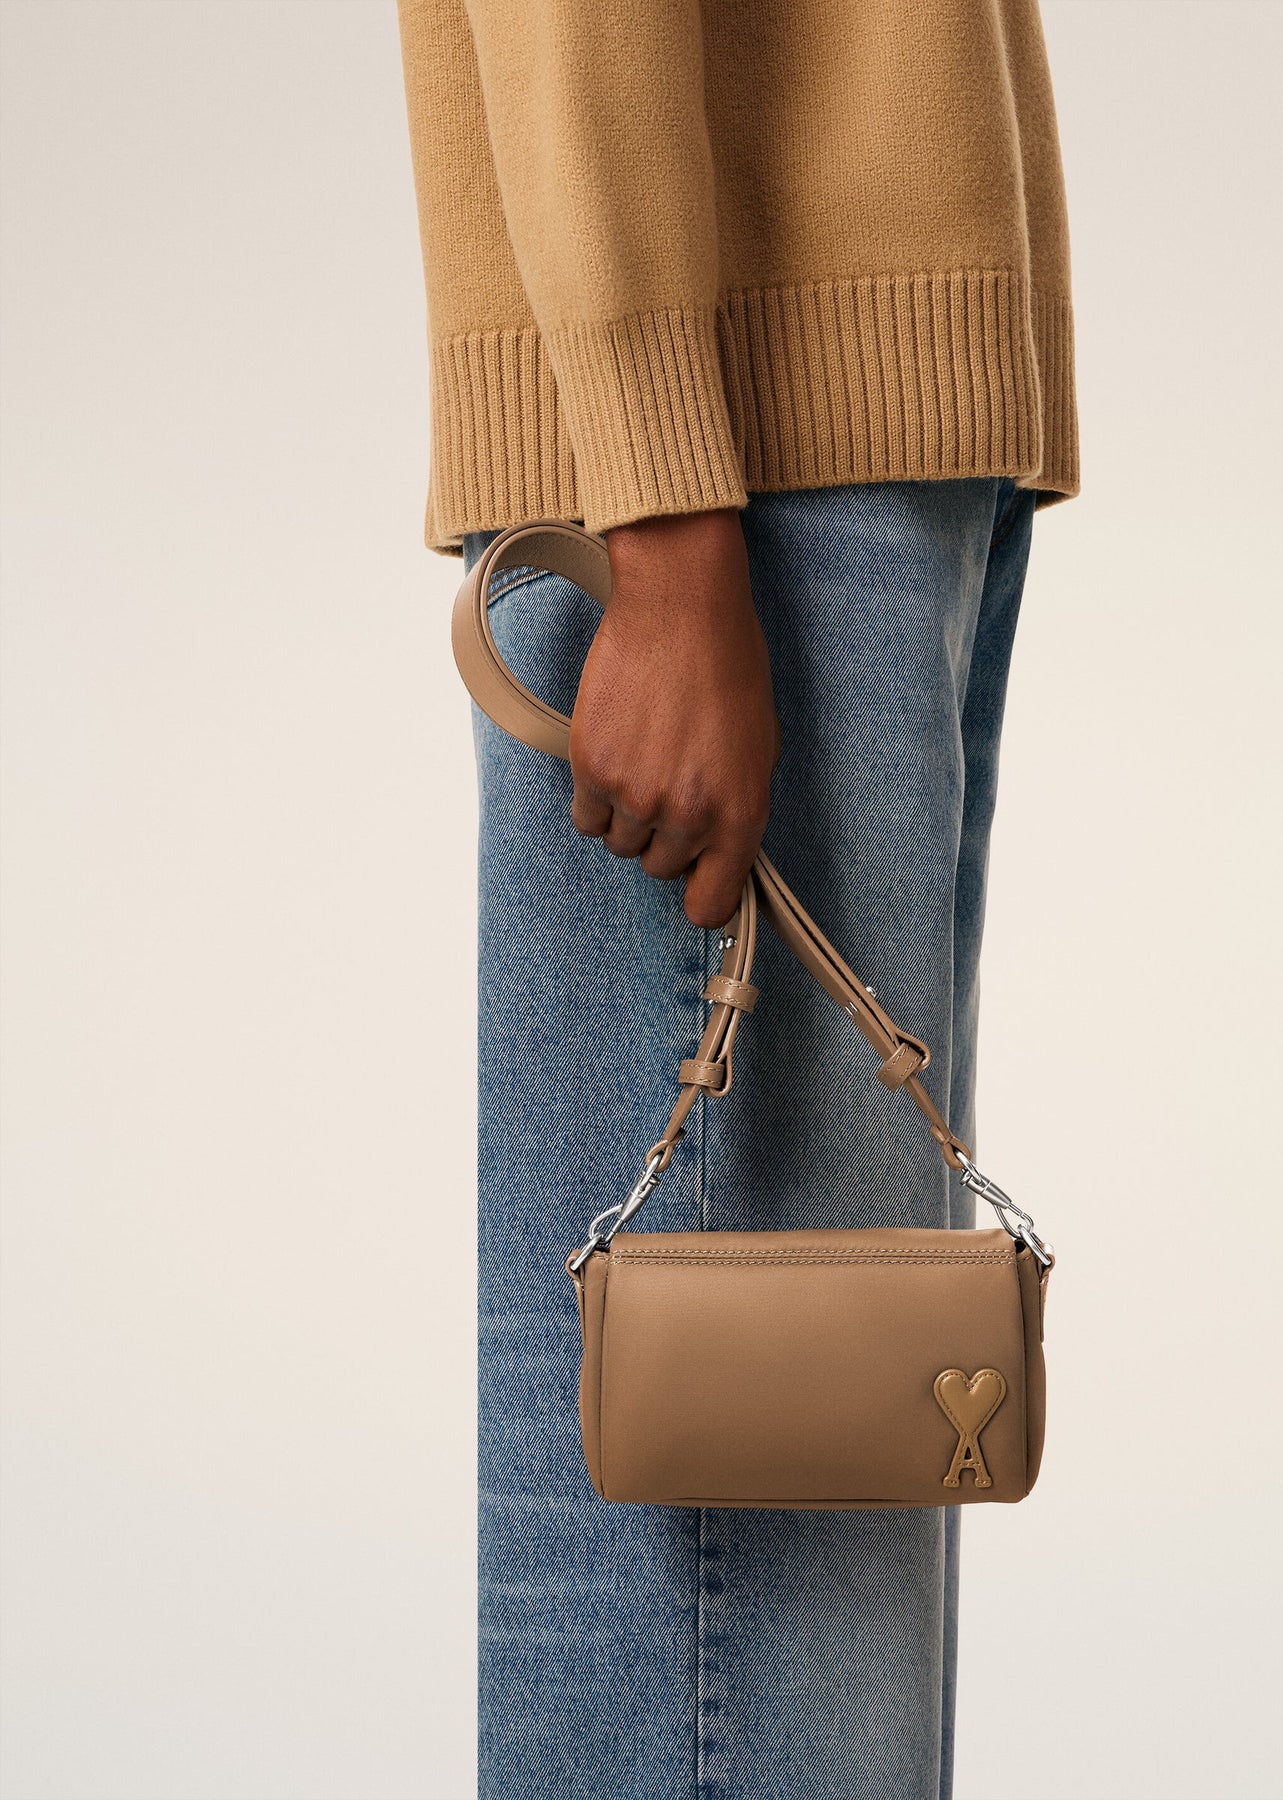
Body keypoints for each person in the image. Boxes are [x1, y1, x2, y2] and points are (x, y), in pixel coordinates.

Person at [396, 1, 1078, 1792]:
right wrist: (663, 514)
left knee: (828, 1547)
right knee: (730, 1582)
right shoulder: (695, 512)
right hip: (732, 467)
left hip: (843, 442)